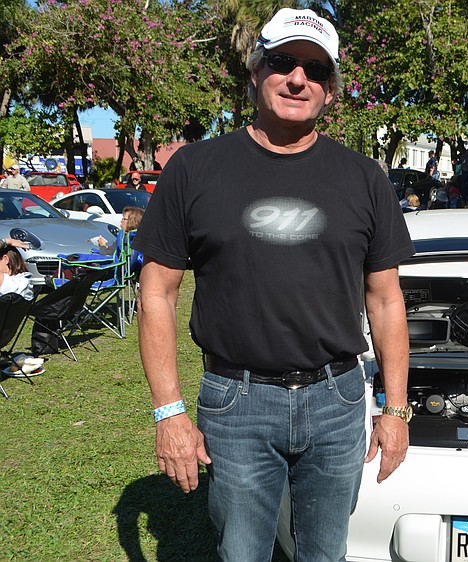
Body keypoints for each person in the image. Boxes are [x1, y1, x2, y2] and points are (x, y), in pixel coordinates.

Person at [132, 8, 414, 562]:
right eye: (283, 62)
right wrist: (169, 413)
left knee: (326, 553)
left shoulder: (364, 178)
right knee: (242, 554)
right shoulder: (194, 168)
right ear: (256, 69)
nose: (297, 79)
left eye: (315, 70)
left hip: (337, 399)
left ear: (330, 90)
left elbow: (385, 301)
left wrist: (395, 410)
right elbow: (156, 293)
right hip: (237, 402)